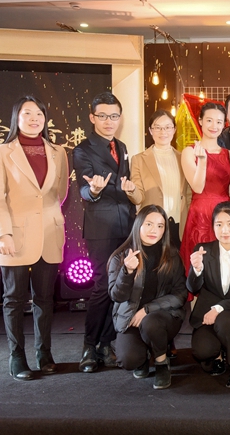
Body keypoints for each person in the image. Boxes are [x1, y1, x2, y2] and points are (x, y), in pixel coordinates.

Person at [0, 95, 69, 380]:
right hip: (15, 236)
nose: (34, 119)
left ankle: (44, 353)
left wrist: (50, 217)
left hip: (49, 234)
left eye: (39, 114)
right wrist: (3, 233)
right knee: (14, 299)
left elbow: (60, 192)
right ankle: (17, 357)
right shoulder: (2, 152)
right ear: (16, 118)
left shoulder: (58, 151)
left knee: (45, 298)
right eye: (27, 113)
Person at [73, 91, 136, 373]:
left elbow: (125, 183)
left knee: (121, 285)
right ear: (92, 117)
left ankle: (107, 344)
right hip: (101, 226)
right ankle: (89, 346)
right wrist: (95, 191)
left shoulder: (121, 146)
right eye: (102, 116)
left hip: (127, 226)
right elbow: (84, 190)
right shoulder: (82, 150)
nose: (109, 121)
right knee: (102, 286)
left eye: (114, 116)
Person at [108, 205, 187, 389]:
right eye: (149, 224)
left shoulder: (171, 256)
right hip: (132, 318)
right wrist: (127, 272)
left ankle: (161, 362)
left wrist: (147, 309)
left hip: (163, 316)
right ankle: (143, 355)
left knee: (151, 323)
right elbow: (116, 296)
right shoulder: (121, 256)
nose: (154, 230)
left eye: (160, 226)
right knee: (128, 360)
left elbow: (180, 294)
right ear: (138, 225)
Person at [187, 202, 230, 389]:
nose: (224, 230)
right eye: (219, 224)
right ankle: (218, 354)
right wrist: (196, 269)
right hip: (206, 317)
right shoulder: (203, 250)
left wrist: (219, 308)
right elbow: (192, 288)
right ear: (213, 227)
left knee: (226, 320)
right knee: (202, 351)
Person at [125, 110, 189, 249]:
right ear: (150, 130)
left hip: (179, 224)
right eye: (157, 127)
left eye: (167, 127)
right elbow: (138, 198)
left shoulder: (184, 158)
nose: (163, 132)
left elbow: (189, 194)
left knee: (178, 262)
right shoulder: (139, 160)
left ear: (174, 129)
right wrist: (132, 190)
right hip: (152, 226)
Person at [180, 102, 230, 270]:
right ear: (200, 121)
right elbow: (197, 187)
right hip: (200, 213)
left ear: (224, 125)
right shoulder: (189, 152)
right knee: (199, 264)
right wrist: (202, 161)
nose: (214, 126)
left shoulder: (229, 154)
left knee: (224, 266)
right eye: (209, 120)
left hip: (225, 213)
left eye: (219, 122)